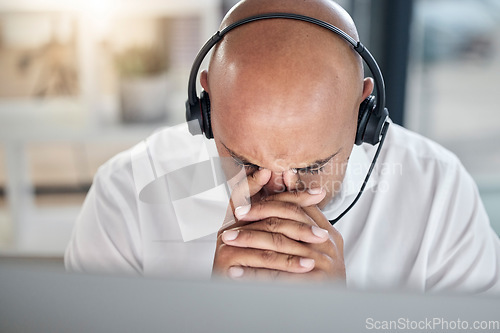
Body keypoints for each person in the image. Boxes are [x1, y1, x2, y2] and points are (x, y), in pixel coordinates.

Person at [65, 0, 500, 293]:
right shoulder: (127, 194)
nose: (275, 191)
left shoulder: (439, 192)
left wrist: (343, 319)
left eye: (312, 166)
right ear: (206, 108)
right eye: (244, 160)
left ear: (362, 116)